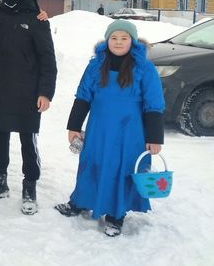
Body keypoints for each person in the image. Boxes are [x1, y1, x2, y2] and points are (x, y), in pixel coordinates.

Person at [55, 20, 165, 237]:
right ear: (107, 41)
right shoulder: (96, 65)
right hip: (99, 129)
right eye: (114, 38)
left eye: (124, 38)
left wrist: (154, 137)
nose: (118, 42)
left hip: (129, 132)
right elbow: (83, 95)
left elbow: (154, 103)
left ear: (132, 41)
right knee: (91, 164)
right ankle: (81, 201)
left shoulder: (144, 68)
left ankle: (116, 214)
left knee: (121, 169)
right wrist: (74, 126)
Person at [0, 0, 57, 214]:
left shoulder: (36, 17)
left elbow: (47, 57)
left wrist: (45, 92)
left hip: (27, 90)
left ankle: (30, 185)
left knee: (28, 139)